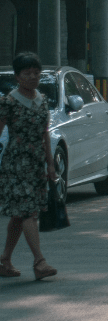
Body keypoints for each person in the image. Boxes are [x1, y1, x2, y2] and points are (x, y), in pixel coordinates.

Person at [0, 52, 59, 280]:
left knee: (19, 216)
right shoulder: (9, 102)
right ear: (17, 76)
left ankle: (4, 260)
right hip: (16, 164)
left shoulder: (41, 100)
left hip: (36, 164)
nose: (33, 77)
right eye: (27, 73)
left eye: (36, 73)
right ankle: (39, 262)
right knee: (29, 213)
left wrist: (50, 163)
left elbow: (44, 133)